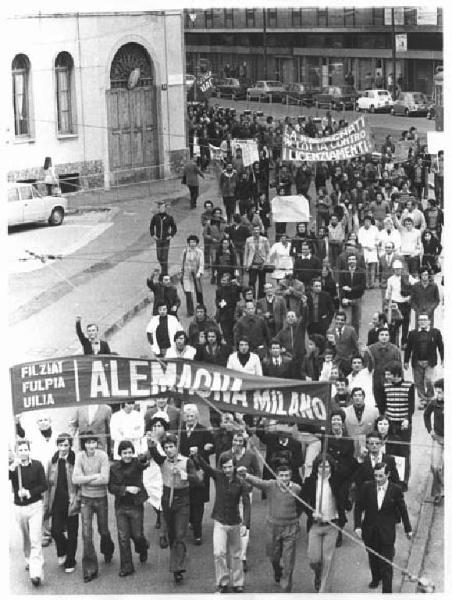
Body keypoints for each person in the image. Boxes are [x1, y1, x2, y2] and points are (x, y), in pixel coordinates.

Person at [237, 461, 302, 593]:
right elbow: (258, 482)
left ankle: (286, 590)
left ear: (291, 476)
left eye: (287, 475)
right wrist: (246, 475)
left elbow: (302, 505)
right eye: (281, 475)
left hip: (290, 529)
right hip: (273, 528)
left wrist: (296, 519)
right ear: (277, 476)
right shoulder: (271, 485)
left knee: (289, 562)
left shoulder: (296, 489)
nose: (284, 478)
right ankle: (277, 570)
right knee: (273, 557)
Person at [147, 433, 200, 584]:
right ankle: (178, 556)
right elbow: (154, 452)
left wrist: (184, 474)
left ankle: (177, 568)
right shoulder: (162, 461)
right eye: (166, 448)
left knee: (180, 534)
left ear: (177, 447)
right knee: (172, 535)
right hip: (167, 499)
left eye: (171, 447)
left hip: (182, 500)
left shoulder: (186, 461)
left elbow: (198, 480)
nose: (169, 450)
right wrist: (151, 442)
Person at [354, 462, 412, 593]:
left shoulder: (395, 490)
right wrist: (357, 526)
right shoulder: (366, 487)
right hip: (369, 530)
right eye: (375, 476)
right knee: (372, 557)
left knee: (386, 563)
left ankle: (387, 592)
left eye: (381, 476)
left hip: (387, 532)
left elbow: (403, 510)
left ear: (388, 474)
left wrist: (408, 529)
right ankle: (376, 578)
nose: (377, 479)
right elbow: (358, 507)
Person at [197, 452, 250, 593]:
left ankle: (238, 582)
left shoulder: (241, 482)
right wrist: (196, 455)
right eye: (224, 467)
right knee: (218, 553)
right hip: (220, 522)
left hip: (235, 522)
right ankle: (222, 581)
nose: (227, 470)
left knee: (237, 554)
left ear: (234, 467)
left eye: (230, 467)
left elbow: (246, 503)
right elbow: (206, 467)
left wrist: (245, 523)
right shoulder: (218, 476)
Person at [72, 431, 115, 583]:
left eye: (93, 442)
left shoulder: (102, 456)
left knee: (103, 530)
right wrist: (92, 477)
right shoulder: (79, 456)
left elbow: (104, 479)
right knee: (86, 533)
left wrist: (85, 480)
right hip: (86, 500)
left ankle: (108, 549)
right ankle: (90, 569)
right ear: (83, 444)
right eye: (87, 442)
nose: (91, 445)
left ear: (97, 443)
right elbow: (75, 479)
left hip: (101, 498)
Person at [300, 455, 347, 592]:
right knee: (314, 559)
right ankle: (318, 574)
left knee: (328, 560)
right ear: (316, 467)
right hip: (315, 526)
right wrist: (311, 512)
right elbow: (301, 500)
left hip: (332, 525)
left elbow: (351, 470)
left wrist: (360, 459)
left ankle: (324, 591)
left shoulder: (337, 480)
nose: (324, 469)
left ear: (331, 467)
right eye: (321, 466)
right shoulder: (311, 481)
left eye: (327, 466)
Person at [9, 439, 48, 587]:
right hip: (19, 508)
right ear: (17, 452)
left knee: (35, 538)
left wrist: (29, 492)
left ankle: (36, 572)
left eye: (26, 449)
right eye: (21, 450)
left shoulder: (37, 465)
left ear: (29, 450)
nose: (24, 452)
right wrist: (10, 469)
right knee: (26, 538)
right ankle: (29, 559)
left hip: (35, 506)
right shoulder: (14, 468)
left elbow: (44, 485)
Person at [108, 440, 149, 577]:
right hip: (121, 506)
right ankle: (127, 567)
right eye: (125, 453)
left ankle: (143, 547)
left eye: (130, 452)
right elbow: (111, 487)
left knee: (137, 535)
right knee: (123, 537)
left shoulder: (137, 463)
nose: (127, 455)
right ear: (120, 454)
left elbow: (144, 462)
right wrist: (126, 489)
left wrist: (144, 457)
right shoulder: (114, 468)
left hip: (136, 505)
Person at [179, 404, 215, 546]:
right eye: (187, 416)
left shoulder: (204, 430)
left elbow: (213, 446)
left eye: (192, 416)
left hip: (199, 470)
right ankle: (192, 521)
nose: (189, 418)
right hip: (185, 469)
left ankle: (197, 533)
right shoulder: (180, 430)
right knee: (187, 498)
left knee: (198, 501)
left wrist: (202, 450)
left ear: (196, 417)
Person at [44, 433, 80, 574]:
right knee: (55, 531)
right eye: (61, 445)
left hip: (71, 501)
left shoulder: (75, 461)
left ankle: (70, 560)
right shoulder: (52, 462)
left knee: (72, 533)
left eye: (66, 445)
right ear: (57, 446)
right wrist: (47, 503)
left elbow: (79, 484)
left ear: (70, 446)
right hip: (57, 501)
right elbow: (47, 484)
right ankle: (63, 550)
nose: (63, 448)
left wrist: (76, 498)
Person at [381, 364, 414, 490]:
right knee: (390, 452)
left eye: (389, 374)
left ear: (396, 374)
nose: (386, 377)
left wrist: (407, 419)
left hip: (403, 425)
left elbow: (411, 406)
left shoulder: (409, 386)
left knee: (404, 452)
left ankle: (404, 481)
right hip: (390, 424)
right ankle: (392, 479)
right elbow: (384, 405)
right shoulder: (386, 386)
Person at [404, 313, 444, 409]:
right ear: (418, 322)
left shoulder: (435, 332)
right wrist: (406, 361)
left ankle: (429, 399)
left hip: (430, 362)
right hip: (417, 362)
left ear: (429, 322)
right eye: (421, 320)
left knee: (429, 380)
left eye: (425, 320)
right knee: (418, 382)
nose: (423, 322)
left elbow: (441, 347)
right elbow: (408, 348)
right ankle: (422, 400)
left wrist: (443, 359)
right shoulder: (412, 333)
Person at [141, 416, 169, 548]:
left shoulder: (169, 440)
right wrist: (150, 445)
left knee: (162, 502)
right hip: (149, 474)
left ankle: (163, 534)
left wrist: (157, 445)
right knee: (153, 500)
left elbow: (166, 457)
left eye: (159, 425)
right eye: (154, 426)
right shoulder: (145, 440)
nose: (156, 428)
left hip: (162, 473)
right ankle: (158, 515)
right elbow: (142, 458)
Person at [365, 328, 401, 411]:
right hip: (376, 378)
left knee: (390, 402)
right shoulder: (371, 349)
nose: (384, 337)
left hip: (390, 379)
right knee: (378, 400)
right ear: (378, 336)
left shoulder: (395, 350)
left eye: (386, 335)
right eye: (382, 335)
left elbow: (399, 367)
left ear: (389, 337)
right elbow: (368, 367)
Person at [384, 259, 417, 348]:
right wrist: (387, 304)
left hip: (406, 303)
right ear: (393, 270)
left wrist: (411, 294)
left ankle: (404, 342)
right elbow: (388, 293)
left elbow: (416, 283)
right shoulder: (390, 280)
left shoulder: (407, 277)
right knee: (395, 324)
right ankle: (394, 343)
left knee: (406, 323)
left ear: (401, 269)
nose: (398, 270)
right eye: (396, 269)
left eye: (399, 269)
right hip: (396, 303)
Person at [423, 379, 444, 505]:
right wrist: (430, 430)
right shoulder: (434, 403)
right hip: (438, 438)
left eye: (441, 393)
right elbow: (426, 415)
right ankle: (438, 492)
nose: (438, 396)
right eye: (437, 393)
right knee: (435, 466)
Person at [343, 388, 379, 458]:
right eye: (355, 396)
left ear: (363, 397)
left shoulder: (374, 411)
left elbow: (376, 431)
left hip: (369, 448)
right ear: (352, 398)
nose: (357, 398)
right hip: (350, 449)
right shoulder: (345, 412)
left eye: (359, 395)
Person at [338, 254, 366, 336]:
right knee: (347, 321)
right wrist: (342, 299)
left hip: (357, 299)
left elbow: (362, 286)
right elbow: (341, 286)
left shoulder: (361, 271)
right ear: (347, 261)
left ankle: (355, 339)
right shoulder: (343, 272)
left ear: (356, 261)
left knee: (356, 322)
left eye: (353, 259)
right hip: (346, 299)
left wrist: (351, 289)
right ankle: (346, 339)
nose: (351, 261)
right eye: (350, 259)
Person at [326, 311, 360, 376]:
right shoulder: (330, 331)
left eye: (342, 320)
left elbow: (356, 347)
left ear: (345, 321)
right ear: (335, 320)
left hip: (348, 361)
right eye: (338, 319)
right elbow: (329, 349)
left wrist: (354, 359)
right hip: (336, 362)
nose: (339, 322)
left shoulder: (351, 331)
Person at [149, 201, 177, 276]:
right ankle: (164, 270)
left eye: (163, 207)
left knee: (164, 257)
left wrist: (171, 235)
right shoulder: (155, 217)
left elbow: (174, 228)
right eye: (160, 207)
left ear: (165, 208)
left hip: (166, 240)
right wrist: (153, 235)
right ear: (158, 208)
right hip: (158, 240)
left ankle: (165, 273)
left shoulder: (169, 218)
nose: (162, 209)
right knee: (159, 257)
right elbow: (151, 227)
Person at [244, 225, 270, 299]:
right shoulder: (248, 240)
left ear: (260, 231)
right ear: (252, 231)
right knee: (252, 281)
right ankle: (252, 297)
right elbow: (246, 252)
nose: (256, 231)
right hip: (252, 264)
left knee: (262, 281)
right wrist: (245, 264)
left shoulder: (264, 239)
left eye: (257, 230)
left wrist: (266, 262)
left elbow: (268, 252)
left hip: (262, 263)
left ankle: (261, 298)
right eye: (254, 230)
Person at [180, 235, 204, 316]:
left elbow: (201, 264)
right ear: (188, 243)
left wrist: (199, 273)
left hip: (196, 275)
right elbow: (182, 263)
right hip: (187, 275)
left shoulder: (199, 252)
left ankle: (201, 308)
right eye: (191, 242)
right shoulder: (185, 251)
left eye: (194, 242)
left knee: (198, 292)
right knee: (188, 293)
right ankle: (190, 311)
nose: (192, 244)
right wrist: (181, 272)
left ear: (196, 243)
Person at [215, 273, 242, 345]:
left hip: (233, 314)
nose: (223, 282)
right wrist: (219, 304)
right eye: (222, 280)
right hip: (223, 314)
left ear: (229, 281)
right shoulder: (219, 290)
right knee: (226, 333)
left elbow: (242, 289)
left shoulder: (234, 288)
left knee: (234, 333)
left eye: (225, 280)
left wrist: (237, 283)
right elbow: (217, 300)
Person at [358, 216, 379, 288]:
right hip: (365, 250)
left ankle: (372, 283)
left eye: (368, 221)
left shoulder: (375, 229)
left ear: (370, 222)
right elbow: (360, 240)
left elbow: (378, 239)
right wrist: (366, 247)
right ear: (363, 222)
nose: (367, 223)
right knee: (366, 268)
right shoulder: (361, 229)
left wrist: (374, 245)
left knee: (372, 268)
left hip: (373, 250)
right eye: (365, 221)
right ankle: (366, 284)